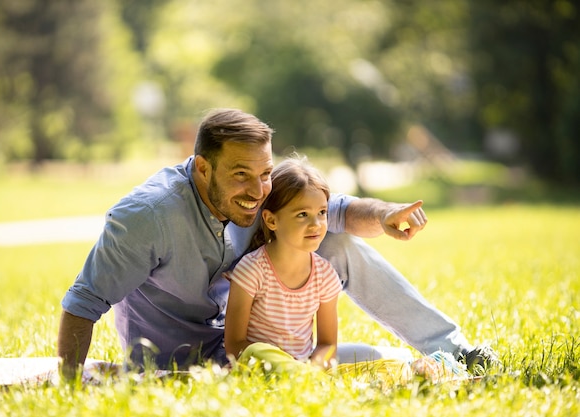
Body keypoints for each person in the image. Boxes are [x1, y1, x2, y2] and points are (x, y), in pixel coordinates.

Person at [58, 108, 497, 379]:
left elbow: (337, 209)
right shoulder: (147, 217)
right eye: (241, 175)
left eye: (265, 172)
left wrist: (384, 215)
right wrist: (70, 390)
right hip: (179, 365)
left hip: (268, 354)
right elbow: (83, 302)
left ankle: (453, 353)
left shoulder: (264, 191)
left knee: (339, 251)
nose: (258, 189)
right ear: (202, 169)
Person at [224, 156, 342, 370]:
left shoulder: (324, 275)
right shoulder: (252, 270)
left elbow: (327, 343)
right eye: (302, 214)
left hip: (304, 367)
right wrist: (283, 367)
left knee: (376, 357)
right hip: (260, 367)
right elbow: (234, 345)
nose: (315, 224)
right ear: (271, 220)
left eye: (322, 213)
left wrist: (313, 368)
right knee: (257, 352)